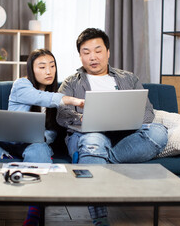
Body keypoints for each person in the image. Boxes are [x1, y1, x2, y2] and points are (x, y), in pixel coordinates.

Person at [56, 28, 168, 226]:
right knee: (94, 139)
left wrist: (126, 121)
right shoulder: (71, 82)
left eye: (98, 51)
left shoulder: (129, 79)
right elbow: (62, 115)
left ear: (108, 52)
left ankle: (100, 158)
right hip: (88, 135)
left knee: (159, 132)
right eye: (86, 52)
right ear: (80, 56)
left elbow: (148, 113)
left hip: (126, 137)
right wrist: (87, 119)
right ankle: (100, 220)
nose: (93, 57)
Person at [0, 48, 84, 226]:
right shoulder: (22, 85)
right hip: (5, 141)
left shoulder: (55, 96)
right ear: (32, 69)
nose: (49, 71)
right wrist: (71, 100)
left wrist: (42, 137)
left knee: (40, 150)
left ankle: (34, 213)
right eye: (42, 67)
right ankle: (8, 157)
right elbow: (39, 97)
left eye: (52, 66)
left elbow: (52, 129)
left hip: (32, 143)